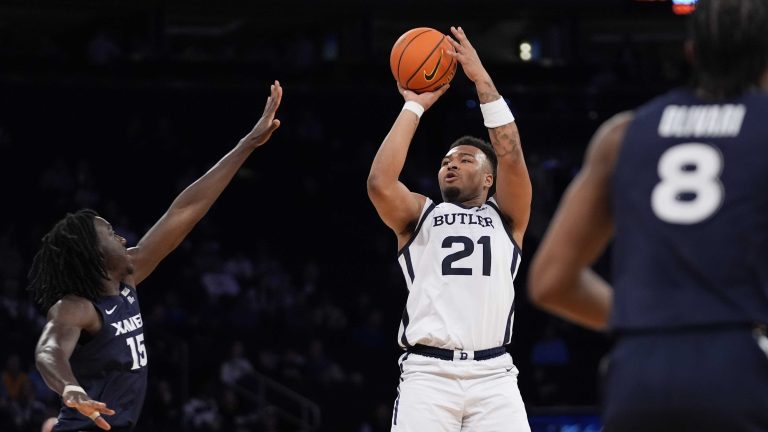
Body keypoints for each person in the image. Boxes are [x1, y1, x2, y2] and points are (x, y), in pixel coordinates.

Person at [527, 0, 768, 430]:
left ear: (691, 52)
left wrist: (649, 323)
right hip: (740, 363)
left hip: (638, 370)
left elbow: (550, 280)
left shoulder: (622, 134)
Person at [27, 80, 283, 432]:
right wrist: (68, 385)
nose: (121, 236)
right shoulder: (77, 307)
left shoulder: (127, 276)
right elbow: (47, 351)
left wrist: (248, 143)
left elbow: (186, 208)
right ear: (92, 254)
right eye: (109, 232)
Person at [367, 26, 532, 431]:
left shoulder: (507, 217)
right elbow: (379, 184)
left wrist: (481, 80)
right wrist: (414, 107)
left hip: (494, 375)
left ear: (489, 179)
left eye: (465, 160)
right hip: (428, 374)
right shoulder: (420, 215)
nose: (451, 164)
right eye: (445, 161)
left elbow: (509, 152)